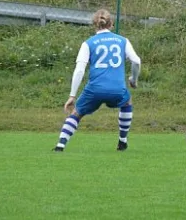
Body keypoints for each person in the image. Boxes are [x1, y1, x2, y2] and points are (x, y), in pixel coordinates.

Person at [53, 9, 141, 152]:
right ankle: (122, 141)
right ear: (112, 24)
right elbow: (136, 61)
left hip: (95, 89)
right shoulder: (123, 41)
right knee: (127, 102)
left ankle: (60, 146)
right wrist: (133, 79)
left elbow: (80, 69)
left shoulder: (88, 43)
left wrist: (72, 95)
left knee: (76, 113)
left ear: (94, 25)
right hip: (117, 89)